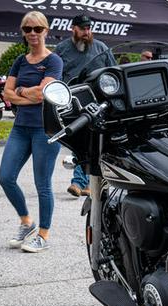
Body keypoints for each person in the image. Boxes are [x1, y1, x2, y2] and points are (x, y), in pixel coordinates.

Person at [0, 11, 63, 252]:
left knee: (42, 185)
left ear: (46, 31)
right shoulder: (20, 61)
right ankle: (27, 222)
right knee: (5, 178)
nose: (33, 34)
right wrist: (29, 94)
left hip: (45, 129)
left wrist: (22, 93)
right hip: (20, 128)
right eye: (28, 29)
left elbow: (44, 93)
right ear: (23, 33)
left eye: (37, 29)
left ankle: (43, 235)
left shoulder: (54, 61)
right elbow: (7, 94)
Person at [54, 14, 113, 198]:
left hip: (98, 103)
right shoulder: (62, 49)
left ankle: (84, 183)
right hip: (73, 104)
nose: (87, 32)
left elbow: (113, 71)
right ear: (74, 29)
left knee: (96, 142)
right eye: (83, 28)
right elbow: (55, 77)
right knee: (80, 143)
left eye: (89, 28)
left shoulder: (102, 48)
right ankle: (83, 182)